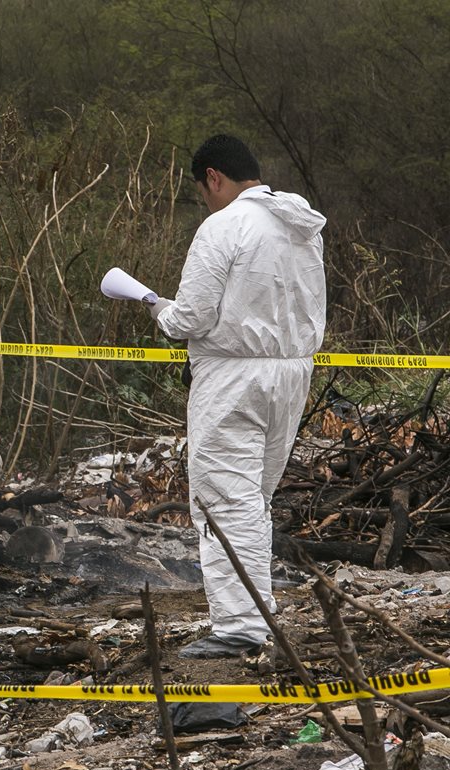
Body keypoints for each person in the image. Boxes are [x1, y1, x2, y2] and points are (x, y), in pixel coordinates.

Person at [149, 134, 326, 658]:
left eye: (204, 190)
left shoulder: (223, 226)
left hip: (234, 376)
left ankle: (242, 628)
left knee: (226, 500)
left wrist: (155, 306)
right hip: (291, 373)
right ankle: (257, 613)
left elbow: (193, 316)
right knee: (253, 499)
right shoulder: (299, 227)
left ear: (213, 178)